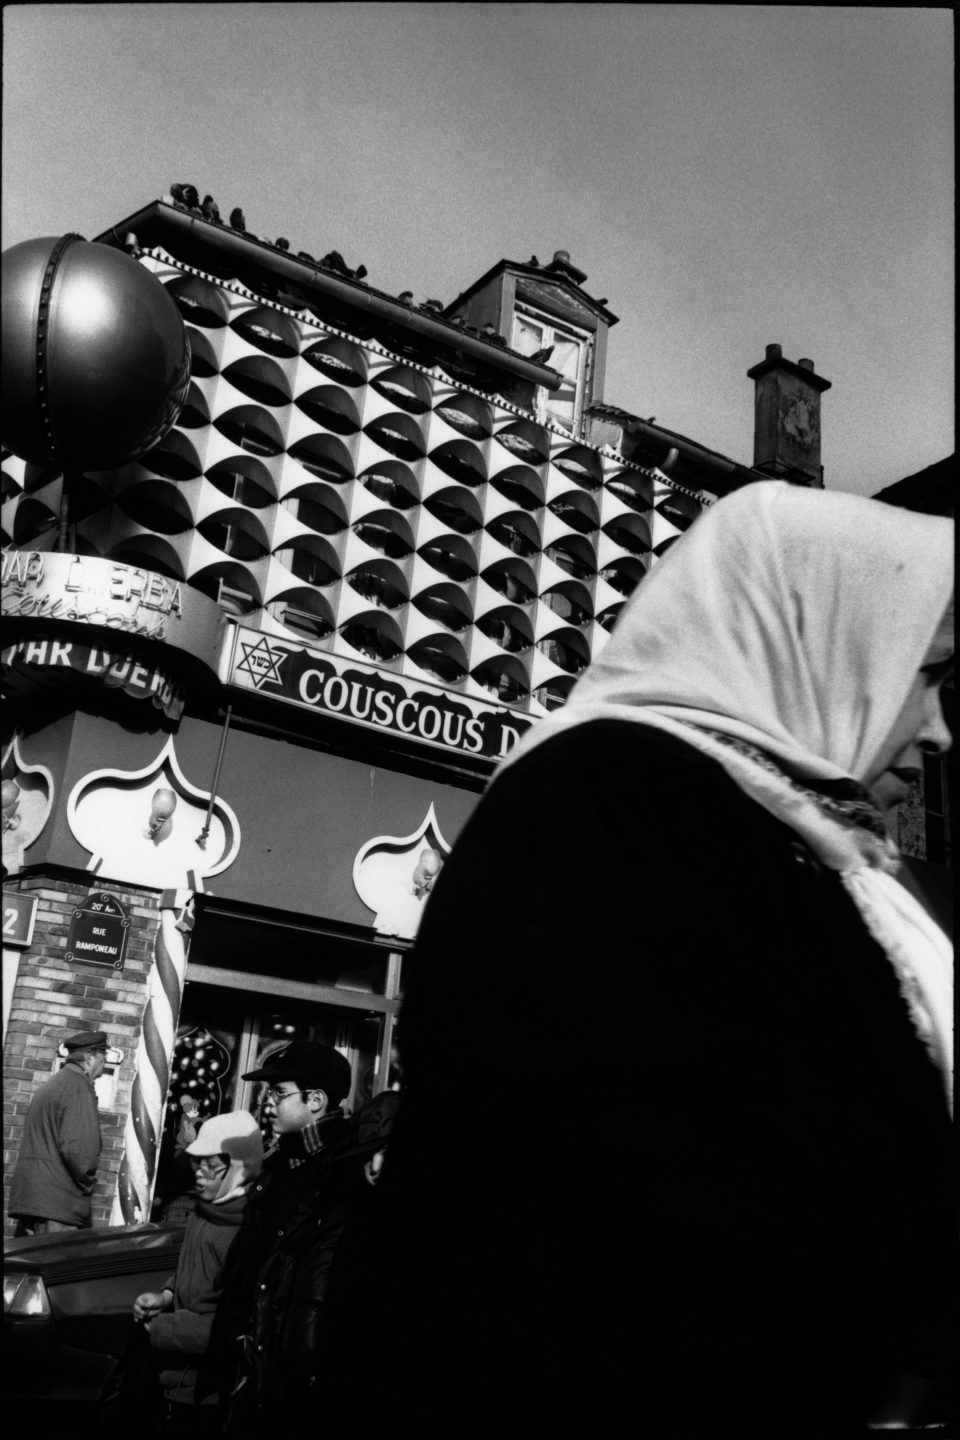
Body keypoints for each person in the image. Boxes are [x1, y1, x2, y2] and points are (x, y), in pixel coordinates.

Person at [329, 482, 954, 1436]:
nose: (940, 727)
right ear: (821, 633)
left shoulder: (785, 835)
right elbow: (655, 1229)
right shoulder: (611, 810)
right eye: (928, 671)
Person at [200, 1041, 366, 1430]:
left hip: (293, 1378)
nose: (267, 1103)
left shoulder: (344, 1172)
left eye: (278, 1092)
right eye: (267, 1093)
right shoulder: (277, 1166)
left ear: (316, 1100)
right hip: (248, 1366)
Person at [131, 1111, 263, 1431]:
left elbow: (229, 1322)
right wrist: (165, 1294)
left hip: (207, 1392)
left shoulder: (244, 1231)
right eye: (197, 1164)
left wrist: (161, 1328)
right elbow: (190, 1270)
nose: (199, 1175)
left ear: (238, 1169)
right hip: (176, 1379)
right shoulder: (204, 1210)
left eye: (210, 1166)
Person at [8, 1029, 108, 1234]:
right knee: (57, 1264)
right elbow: (80, 1151)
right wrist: (88, 1185)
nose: (103, 1067)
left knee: (31, 1263)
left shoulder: (53, 1084)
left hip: (34, 1201)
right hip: (59, 1204)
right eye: (102, 1060)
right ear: (89, 1059)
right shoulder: (79, 1088)